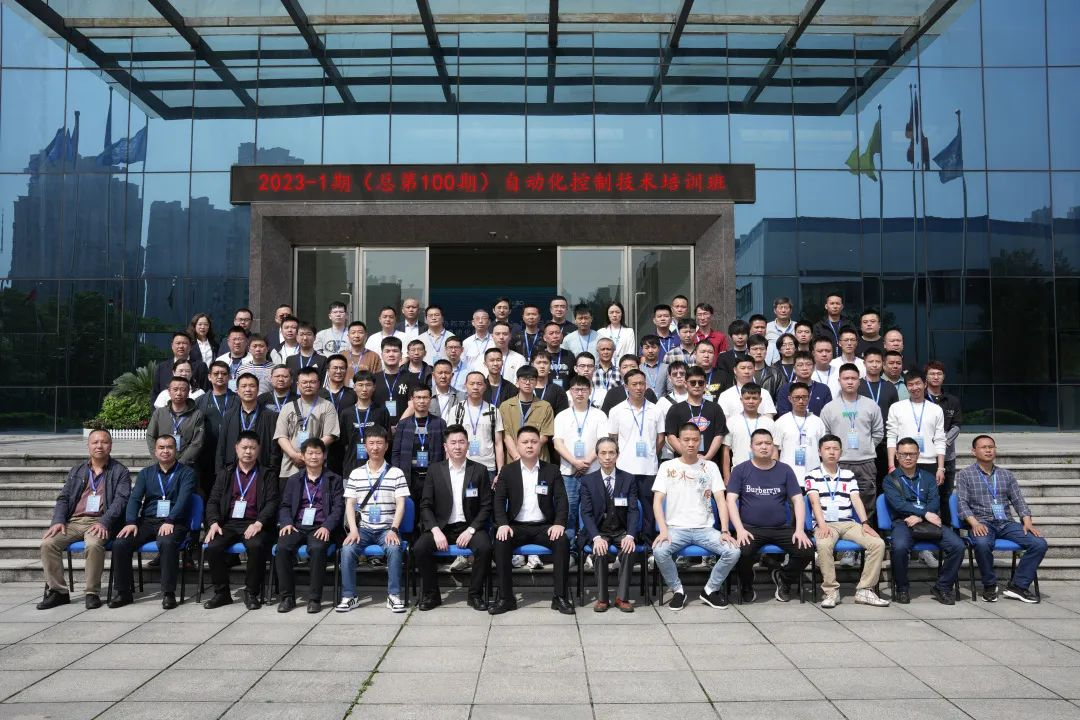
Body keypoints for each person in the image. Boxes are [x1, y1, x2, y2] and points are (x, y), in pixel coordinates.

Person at [37, 430, 131, 611]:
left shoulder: (120, 471)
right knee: (48, 543)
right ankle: (58, 592)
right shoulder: (77, 470)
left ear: (110, 446)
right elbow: (64, 498)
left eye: (104, 442)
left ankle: (92, 593)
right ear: (88, 446)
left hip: (101, 522)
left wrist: (105, 522)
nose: (99, 446)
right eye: (95, 442)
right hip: (74, 521)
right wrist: (58, 520)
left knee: (94, 544)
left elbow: (121, 500)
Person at [653, 424, 741, 610]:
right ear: (678, 441)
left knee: (733, 551)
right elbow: (657, 502)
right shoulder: (667, 466)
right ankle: (678, 590)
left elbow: (721, 500)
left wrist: (725, 530)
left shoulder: (710, 467)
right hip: (675, 530)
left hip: (705, 529)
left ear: (700, 441)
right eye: (686, 440)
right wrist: (663, 530)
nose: (691, 444)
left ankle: (710, 590)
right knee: (659, 551)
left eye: (695, 439)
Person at [490, 426, 574, 615]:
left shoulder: (551, 470)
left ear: (540, 445)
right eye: (525, 442)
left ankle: (560, 597)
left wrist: (559, 523)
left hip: (544, 527)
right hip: (516, 527)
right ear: (517, 445)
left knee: (562, 541)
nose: (529, 446)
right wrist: (503, 524)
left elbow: (562, 500)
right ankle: (506, 598)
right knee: (500, 542)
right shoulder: (507, 471)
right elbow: (499, 501)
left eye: (534, 442)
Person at [957, 434, 1048, 604]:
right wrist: (974, 523)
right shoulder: (965, 474)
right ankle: (989, 585)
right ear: (973, 451)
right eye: (983, 447)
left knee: (1039, 543)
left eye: (991, 447)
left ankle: (1018, 585)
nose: (988, 450)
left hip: (1005, 523)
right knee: (982, 544)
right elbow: (962, 503)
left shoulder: (1006, 475)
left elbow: (1019, 501)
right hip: (981, 522)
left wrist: (1027, 521)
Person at [109, 435, 196, 609]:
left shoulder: (187, 473)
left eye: (169, 447)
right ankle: (123, 592)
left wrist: (171, 519)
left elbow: (183, 500)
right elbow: (135, 499)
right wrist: (131, 521)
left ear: (176, 450)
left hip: (174, 521)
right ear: (155, 451)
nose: (165, 451)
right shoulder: (146, 473)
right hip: (148, 521)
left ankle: (168, 593)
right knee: (121, 543)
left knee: (167, 542)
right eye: (161, 447)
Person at [727, 429, 814, 603]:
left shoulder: (785, 470)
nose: (764, 447)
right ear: (751, 446)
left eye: (767, 443)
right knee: (741, 552)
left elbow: (798, 500)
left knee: (806, 550)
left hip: (780, 528)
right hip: (750, 529)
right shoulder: (740, 470)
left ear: (773, 446)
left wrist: (799, 530)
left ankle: (784, 579)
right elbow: (730, 500)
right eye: (759, 443)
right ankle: (746, 584)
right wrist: (740, 530)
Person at [413, 424, 494, 611]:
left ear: (468, 445)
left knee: (485, 548)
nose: (457, 446)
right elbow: (425, 505)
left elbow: (486, 505)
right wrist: (435, 530)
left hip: (469, 526)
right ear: (445, 446)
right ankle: (432, 595)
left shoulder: (479, 470)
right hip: (442, 527)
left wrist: (471, 530)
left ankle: (475, 595)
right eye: (453, 443)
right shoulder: (435, 470)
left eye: (461, 442)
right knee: (420, 548)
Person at [805, 434, 889, 608]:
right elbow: (814, 502)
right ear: (820, 452)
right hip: (826, 524)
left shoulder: (848, 474)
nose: (831, 452)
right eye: (827, 449)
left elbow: (856, 500)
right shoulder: (812, 475)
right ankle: (831, 591)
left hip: (848, 523)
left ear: (841, 452)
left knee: (878, 543)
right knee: (823, 544)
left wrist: (865, 523)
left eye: (835, 449)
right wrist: (821, 525)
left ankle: (865, 589)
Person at [202, 431, 279, 610]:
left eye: (252, 448)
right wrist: (213, 522)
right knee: (212, 546)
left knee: (256, 545)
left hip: (255, 523)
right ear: (236, 448)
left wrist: (259, 523)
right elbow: (213, 501)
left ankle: (251, 592)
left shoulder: (267, 474)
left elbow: (272, 502)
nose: (248, 452)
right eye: (244, 447)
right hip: (228, 524)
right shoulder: (226, 473)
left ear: (258, 449)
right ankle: (222, 593)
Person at [883, 437, 965, 605]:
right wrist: (925, 513)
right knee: (899, 547)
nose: (908, 457)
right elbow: (899, 505)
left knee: (958, 546)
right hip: (903, 522)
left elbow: (934, 502)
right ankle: (902, 588)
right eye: (903, 454)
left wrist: (921, 516)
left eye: (912, 454)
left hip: (929, 522)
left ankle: (942, 586)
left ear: (918, 455)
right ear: (897, 455)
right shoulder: (890, 479)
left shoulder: (928, 477)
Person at [338, 427, 409, 613]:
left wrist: (394, 529)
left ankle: (393, 595)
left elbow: (401, 504)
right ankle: (349, 596)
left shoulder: (397, 473)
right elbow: (349, 504)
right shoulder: (356, 473)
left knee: (394, 549)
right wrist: (353, 530)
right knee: (347, 549)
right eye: (371, 443)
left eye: (379, 443)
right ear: (365, 446)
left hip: (387, 529)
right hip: (364, 529)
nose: (375, 447)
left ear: (386, 446)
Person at [274, 438, 344, 613]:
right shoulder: (294, 480)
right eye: (310, 453)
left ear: (324, 455)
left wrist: (327, 526)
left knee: (317, 549)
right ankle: (287, 597)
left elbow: (338, 508)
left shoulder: (334, 479)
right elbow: (285, 505)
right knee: (282, 548)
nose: (314, 457)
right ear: (303, 456)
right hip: (297, 526)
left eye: (317, 453)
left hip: (320, 526)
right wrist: (286, 522)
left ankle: (314, 598)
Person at [580, 437, 640, 612]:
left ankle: (622, 598)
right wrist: (596, 537)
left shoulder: (628, 479)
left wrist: (630, 535)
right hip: (600, 530)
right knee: (599, 549)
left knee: (629, 549)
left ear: (617, 455)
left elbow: (633, 510)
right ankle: (602, 598)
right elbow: (586, 513)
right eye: (603, 453)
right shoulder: (588, 481)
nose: (607, 457)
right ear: (597, 455)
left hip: (621, 529)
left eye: (611, 453)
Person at [607, 369, 665, 542]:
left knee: (649, 509)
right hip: (624, 468)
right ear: (626, 386)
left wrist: (651, 453)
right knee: (623, 506)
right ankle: (623, 541)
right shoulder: (617, 410)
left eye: (642, 384)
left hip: (649, 468)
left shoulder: (656, 410)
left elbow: (660, 438)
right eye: (634, 384)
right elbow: (613, 438)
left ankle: (647, 544)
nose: (639, 388)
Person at [820, 363, 884, 515]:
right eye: (846, 378)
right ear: (839, 381)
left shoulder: (871, 405)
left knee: (867, 505)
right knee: (839, 502)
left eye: (853, 378)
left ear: (859, 381)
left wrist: (867, 447)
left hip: (865, 463)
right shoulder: (829, 408)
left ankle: (866, 528)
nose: (850, 382)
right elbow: (825, 435)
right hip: (839, 463)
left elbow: (878, 432)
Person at [553, 374, 609, 543]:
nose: (579, 393)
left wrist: (586, 463)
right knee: (569, 512)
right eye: (576, 389)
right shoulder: (562, 416)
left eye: (583, 390)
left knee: (593, 510)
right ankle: (570, 549)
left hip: (593, 471)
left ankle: (590, 547)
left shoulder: (599, 415)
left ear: (590, 391)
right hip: (568, 472)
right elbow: (558, 444)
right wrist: (575, 462)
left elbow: (602, 443)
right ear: (570, 391)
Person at [273, 366, 340, 487]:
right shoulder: (287, 407)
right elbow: (281, 436)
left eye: (312, 382)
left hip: (317, 468)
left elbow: (331, 435)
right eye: (304, 382)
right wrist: (294, 455)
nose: (308, 385)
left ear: (318, 384)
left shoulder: (327, 406)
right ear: (298, 384)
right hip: (290, 468)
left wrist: (309, 454)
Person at [391, 385, 447, 499]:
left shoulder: (440, 423)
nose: (422, 401)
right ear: (412, 399)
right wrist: (398, 474)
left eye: (425, 397)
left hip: (432, 477)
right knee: (410, 509)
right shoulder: (403, 424)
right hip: (408, 478)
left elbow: (444, 451)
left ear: (430, 399)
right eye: (418, 397)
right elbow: (396, 452)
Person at [215, 373, 279, 473]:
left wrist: (271, 472)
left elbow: (274, 448)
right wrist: (220, 472)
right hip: (233, 469)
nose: (248, 389)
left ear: (258, 390)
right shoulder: (229, 415)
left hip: (261, 469)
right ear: (237, 390)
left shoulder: (270, 416)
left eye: (252, 386)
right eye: (244, 386)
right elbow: (221, 446)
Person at [447, 371, 504, 482]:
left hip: (488, 467)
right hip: (462, 466)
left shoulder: (493, 411)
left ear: (485, 387)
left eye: (479, 384)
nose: (475, 387)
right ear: (465, 385)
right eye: (472, 383)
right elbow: (450, 441)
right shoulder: (457, 410)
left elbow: (498, 443)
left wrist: (500, 472)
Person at [665, 366, 727, 464]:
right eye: (693, 382)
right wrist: (689, 456)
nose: (697, 385)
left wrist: (707, 457)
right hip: (684, 463)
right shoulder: (675, 409)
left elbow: (719, 436)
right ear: (685, 384)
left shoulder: (715, 408)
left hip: (709, 463)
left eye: (700, 382)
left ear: (705, 385)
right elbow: (671, 437)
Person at [926, 360, 962, 524]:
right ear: (926, 377)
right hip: (925, 456)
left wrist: (942, 443)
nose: (935, 377)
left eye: (939, 374)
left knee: (945, 494)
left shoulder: (952, 400)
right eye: (932, 374)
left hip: (947, 456)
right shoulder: (920, 398)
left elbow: (957, 426)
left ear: (944, 377)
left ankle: (947, 527)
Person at [772, 382, 826, 488]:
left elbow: (823, 450)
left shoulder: (817, 421)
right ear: (790, 399)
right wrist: (775, 475)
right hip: (788, 477)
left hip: (814, 477)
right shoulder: (781, 422)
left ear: (809, 398)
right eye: (797, 398)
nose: (801, 401)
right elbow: (775, 451)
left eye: (804, 397)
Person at [339, 370, 391, 478]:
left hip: (378, 469)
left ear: (374, 387)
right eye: (360, 385)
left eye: (368, 385)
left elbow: (387, 439)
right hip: (352, 468)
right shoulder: (346, 413)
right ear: (354, 387)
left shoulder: (381, 411)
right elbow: (344, 443)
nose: (364, 389)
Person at [146, 375, 205, 468]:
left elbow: (197, 442)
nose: (179, 393)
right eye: (175, 389)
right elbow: (150, 436)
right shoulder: (159, 413)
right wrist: (159, 460)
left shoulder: (197, 414)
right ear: (169, 392)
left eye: (183, 390)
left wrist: (181, 463)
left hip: (186, 466)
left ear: (188, 392)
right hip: (162, 465)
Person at [500, 365, 555, 465]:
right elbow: (506, 436)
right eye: (524, 379)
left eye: (532, 379)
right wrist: (517, 457)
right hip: (513, 460)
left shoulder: (545, 406)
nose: (528, 383)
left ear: (536, 382)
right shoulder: (505, 406)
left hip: (538, 460)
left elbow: (544, 436)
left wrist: (529, 455)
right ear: (517, 382)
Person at [859, 347, 899, 484]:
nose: (874, 365)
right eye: (871, 361)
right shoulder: (858, 385)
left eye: (878, 361)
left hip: (885, 442)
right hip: (863, 441)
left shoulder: (889, 387)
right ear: (864, 363)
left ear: (883, 364)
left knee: (885, 482)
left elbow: (895, 415)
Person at [721, 384, 775, 481]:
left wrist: (774, 473)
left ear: (760, 400)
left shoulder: (768, 422)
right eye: (747, 398)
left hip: (764, 473)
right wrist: (727, 476)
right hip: (739, 473)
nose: (751, 401)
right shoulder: (732, 422)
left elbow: (774, 450)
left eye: (754, 398)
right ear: (741, 399)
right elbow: (726, 450)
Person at [775, 350, 832, 417]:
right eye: (800, 365)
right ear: (794, 368)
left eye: (808, 364)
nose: (804, 368)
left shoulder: (823, 389)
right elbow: (784, 415)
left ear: (814, 367)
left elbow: (828, 415)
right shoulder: (785, 389)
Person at [718, 356, 776, 421]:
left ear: (754, 370)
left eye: (750, 368)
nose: (746, 371)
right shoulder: (725, 395)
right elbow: (724, 420)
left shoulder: (764, 393)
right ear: (735, 370)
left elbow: (769, 418)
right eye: (743, 368)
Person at [153, 332, 208, 400]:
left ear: (190, 346)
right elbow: (155, 393)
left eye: (184, 343)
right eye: (178, 343)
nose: (181, 346)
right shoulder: (161, 367)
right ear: (172, 346)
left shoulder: (201, 366)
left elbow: (206, 391)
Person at [532, 350, 570, 416]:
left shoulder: (558, 391)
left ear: (550, 366)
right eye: (538, 363)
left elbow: (562, 417)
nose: (542, 366)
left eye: (545, 363)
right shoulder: (525, 389)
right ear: (532, 365)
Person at [216, 325, 253, 391]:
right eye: (234, 339)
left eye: (240, 339)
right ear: (228, 341)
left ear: (246, 341)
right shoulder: (220, 360)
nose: (237, 342)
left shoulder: (253, 359)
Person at [714, 319, 750, 385]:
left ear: (748, 335)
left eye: (743, 334)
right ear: (730, 337)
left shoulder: (752, 355)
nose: (740, 337)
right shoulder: (723, 357)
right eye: (736, 334)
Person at [543, 321, 577, 387]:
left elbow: (574, 378)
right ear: (544, 338)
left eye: (557, 333)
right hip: (545, 392)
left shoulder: (569, 355)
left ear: (562, 336)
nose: (555, 336)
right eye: (551, 333)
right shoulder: (540, 356)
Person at [748, 334, 782, 399]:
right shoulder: (743, 373)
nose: (759, 352)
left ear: (766, 351)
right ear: (748, 352)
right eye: (755, 349)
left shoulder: (776, 373)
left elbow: (780, 398)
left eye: (762, 349)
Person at [764, 296, 796, 365]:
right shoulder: (767, 327)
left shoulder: (797, 327)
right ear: (775, 310)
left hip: (794, 364)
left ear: (791, 310)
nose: (783, 310)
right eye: (780, 308)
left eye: (786, 308)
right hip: (772, 366)